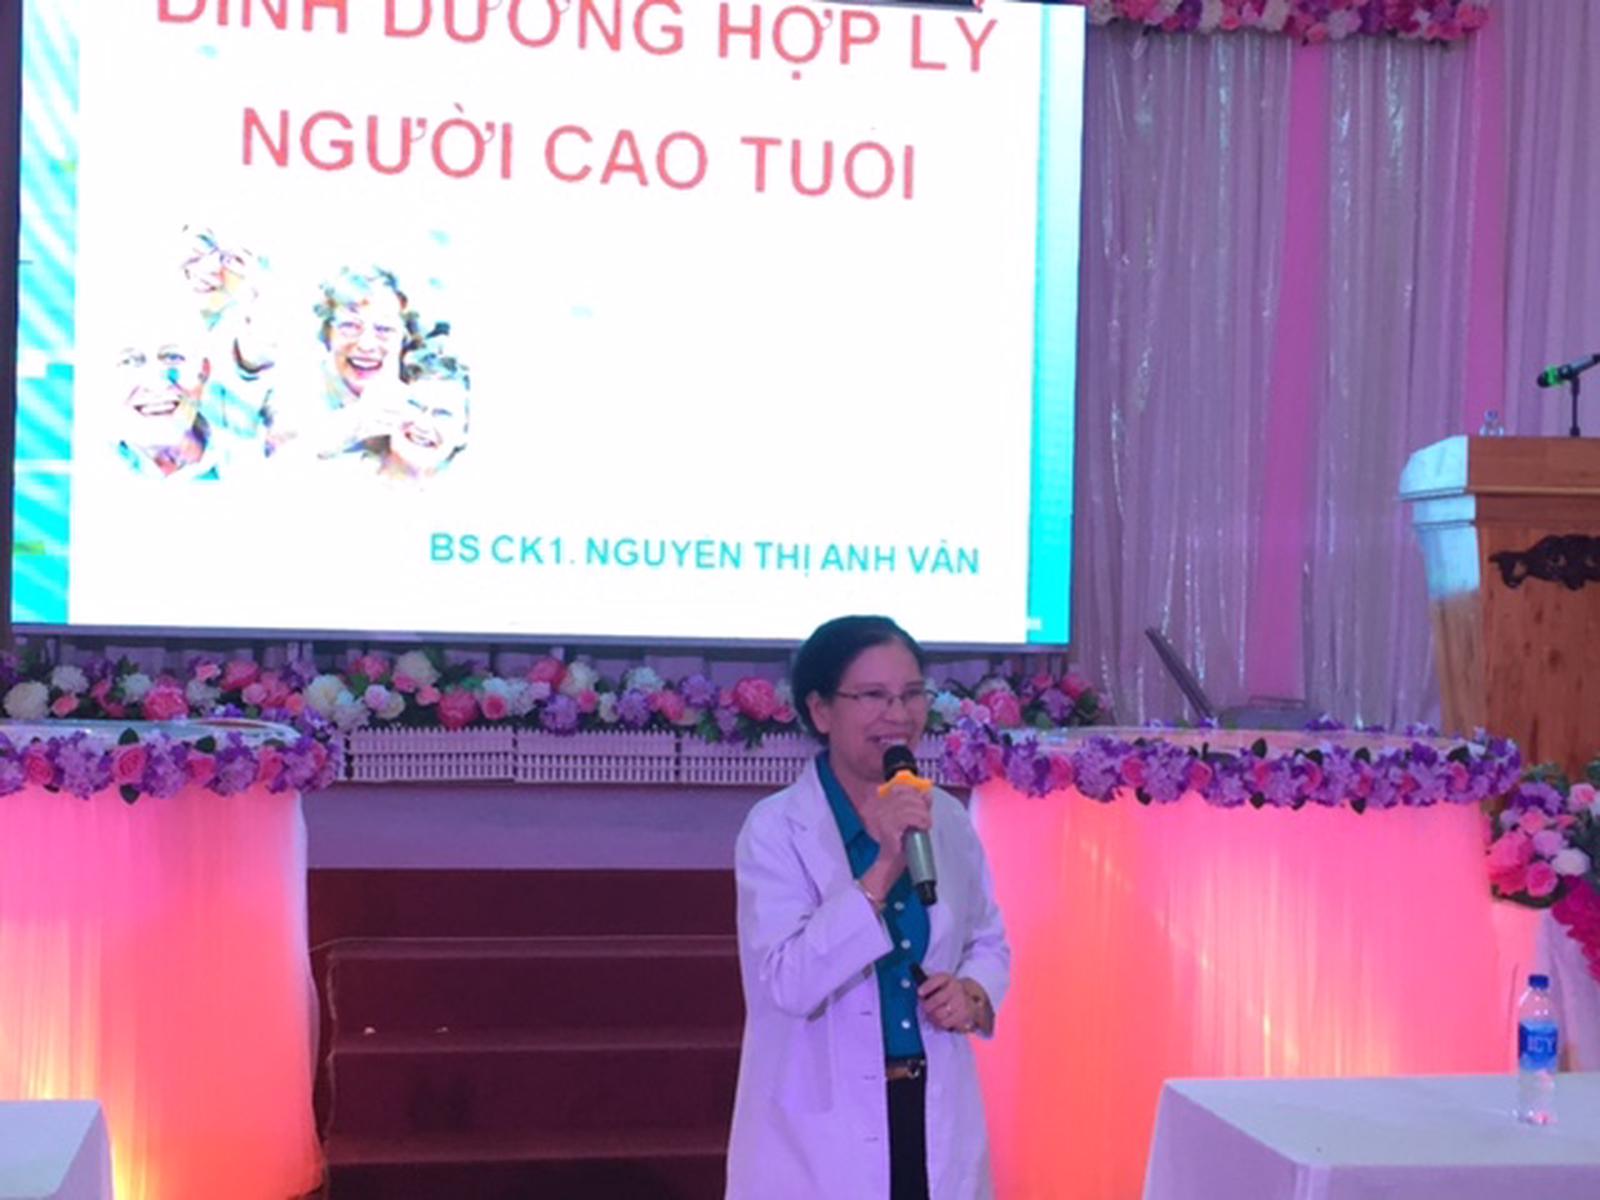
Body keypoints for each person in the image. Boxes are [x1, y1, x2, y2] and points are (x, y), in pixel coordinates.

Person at [726, 615, 1010, 1200]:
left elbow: (986, 939)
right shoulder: (775, 829)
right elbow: (787, 980)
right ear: (821, 710)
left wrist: (972, 993)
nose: (898, 715)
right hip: (821, 1133)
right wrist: (883, 867)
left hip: (930, 1107)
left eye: (911, 694)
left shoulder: (945, 817)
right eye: (874, 696)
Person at [343, 337, 471, 481]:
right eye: (414, 405)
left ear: (465, 432)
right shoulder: (341, 475)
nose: (422, 425)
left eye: (443, 415)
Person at [110, 322, 227, 480]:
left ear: (204, 371)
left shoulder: (243, 461)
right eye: (129, 361)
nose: (156, 385)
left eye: (173, 357)